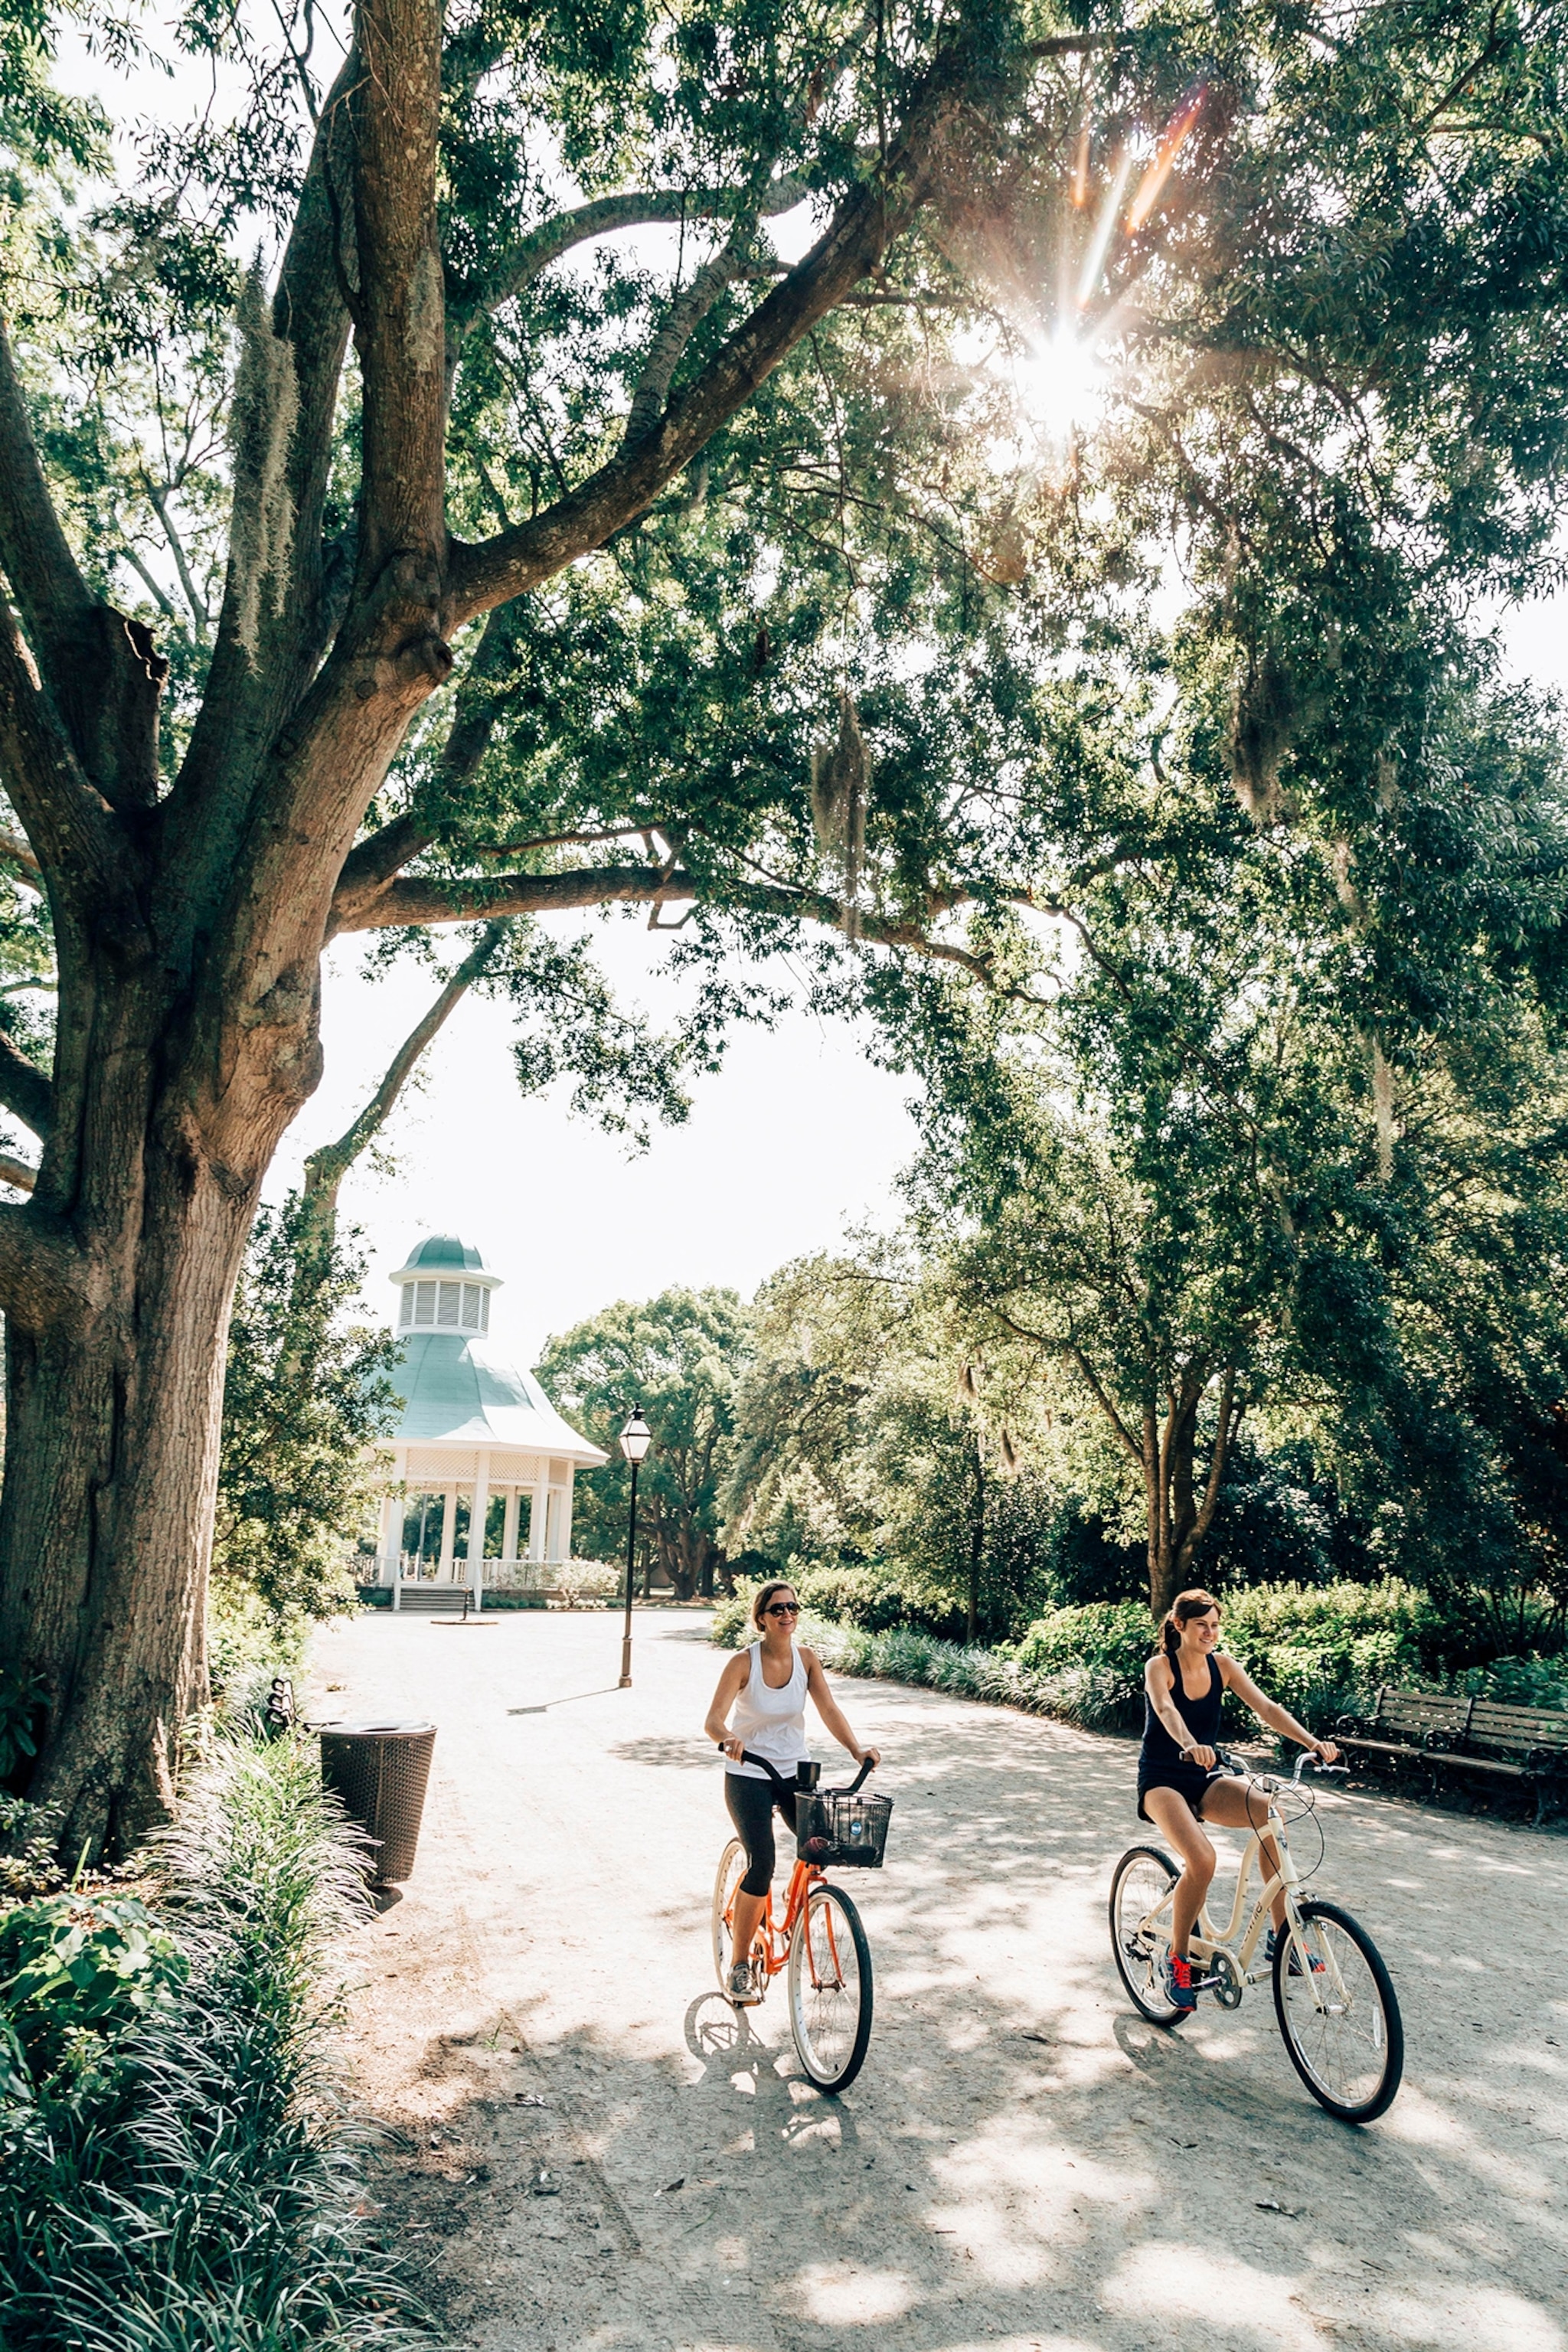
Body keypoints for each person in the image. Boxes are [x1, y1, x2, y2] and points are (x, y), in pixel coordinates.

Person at [1139, 1586, 1339, 2014]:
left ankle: (1282, 1936)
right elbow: (1165, 1709)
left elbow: (1267, 1708)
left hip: (1206, 1776)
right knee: (1203, 1859)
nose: (1210, 1633)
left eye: (1215, 1625)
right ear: (1179, 1626)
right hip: (1162, 1779)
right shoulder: (1160, 1666)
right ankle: (1177, 1961)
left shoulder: (1223, 1666)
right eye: (1201, 1625)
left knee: (1270, 1811)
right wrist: (1192, 1743)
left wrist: (1311, 1741)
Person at [704, 1579, 880, 2006]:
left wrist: (856, 1749)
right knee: (762, 1863)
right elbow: (713, 1720)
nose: (787, 1615)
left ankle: (793, 1894)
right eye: (778, 1609)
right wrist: (727, 1739)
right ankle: (741, 1965)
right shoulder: (742, 1663)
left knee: (822, 1845)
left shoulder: (807, 1660)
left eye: (793, 1608)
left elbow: (828, 1709)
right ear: (761, 1618)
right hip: (748, 1773)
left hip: (793, 1773)